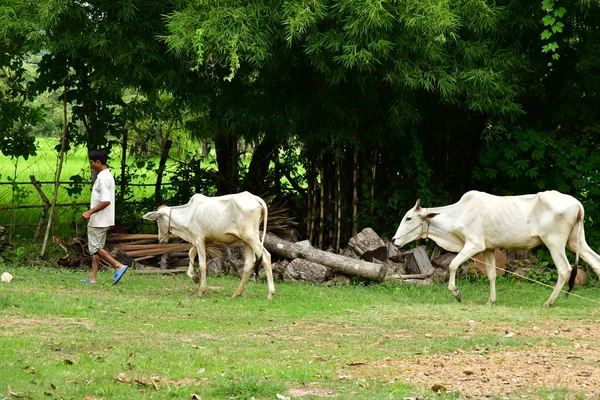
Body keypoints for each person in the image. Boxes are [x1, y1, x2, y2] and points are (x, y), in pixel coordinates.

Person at [81, 149, 130, 285]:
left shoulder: (103, 178)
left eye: (91, 162)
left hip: (99, 219)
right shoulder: (106, 175)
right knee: (97, 250)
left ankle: (118, 266)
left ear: (98, 162)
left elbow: (105, 201)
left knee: (95, 248)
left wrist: (89, 212)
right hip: (104, 219)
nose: (90, 165)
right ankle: (92, 278)